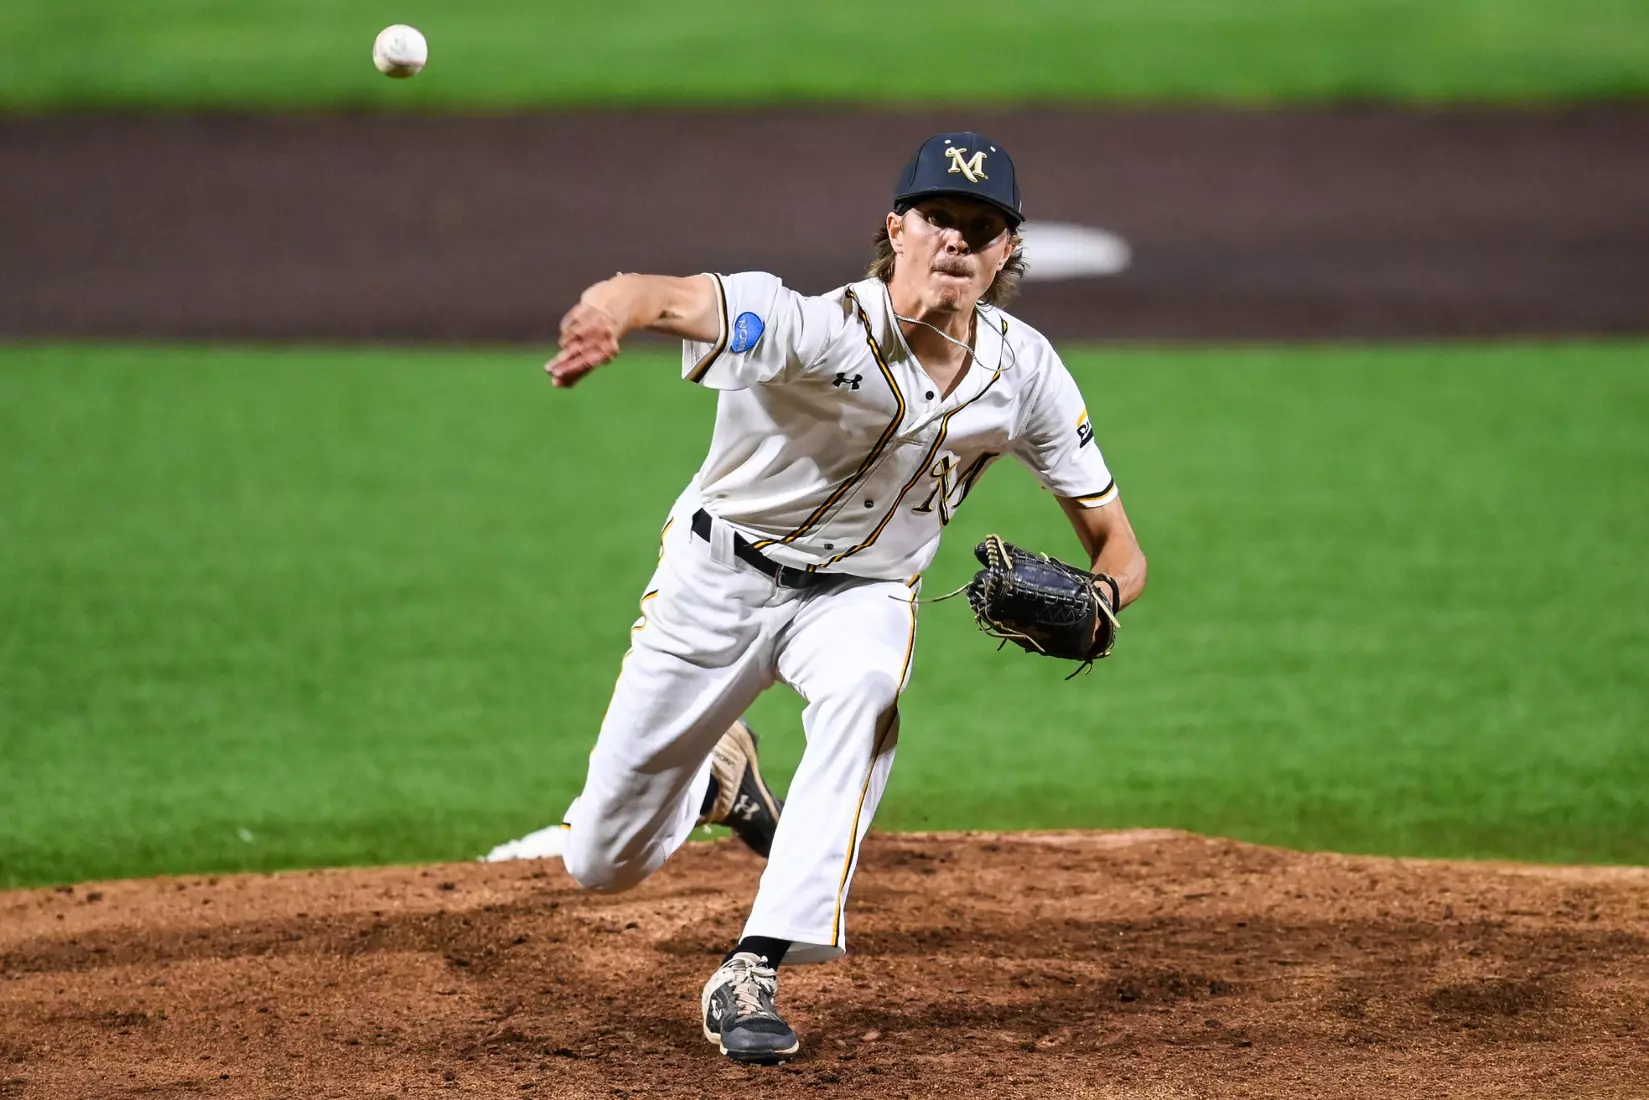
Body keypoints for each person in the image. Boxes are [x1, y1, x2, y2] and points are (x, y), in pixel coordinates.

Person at [542, 132, 1147, 1064]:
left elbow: (1119, 544)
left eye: (981, 227)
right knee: (600, 863)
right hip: (719, 581)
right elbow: (666, 296)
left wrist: (1101, 596)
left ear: (1006, 253)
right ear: (895, 228)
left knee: (865, 692)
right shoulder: (809, 327)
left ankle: (753, 966)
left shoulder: (1024, 372)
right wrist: (604, 314)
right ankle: (716, 779)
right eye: (939, 217)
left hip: (861, 595)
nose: (957, 239)